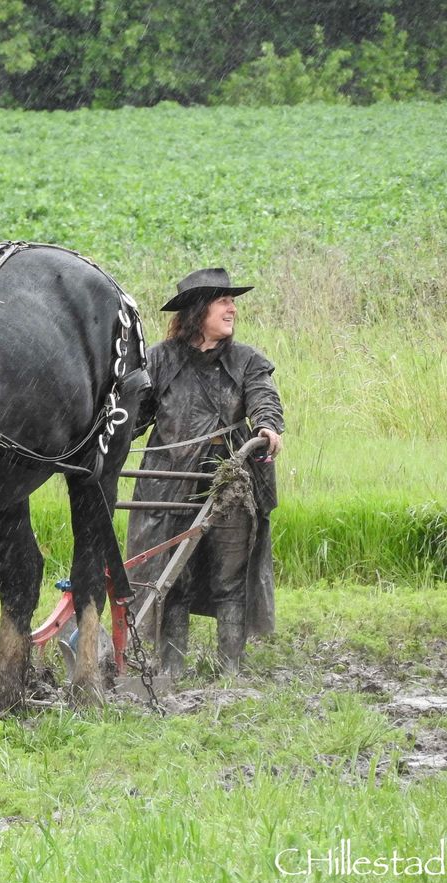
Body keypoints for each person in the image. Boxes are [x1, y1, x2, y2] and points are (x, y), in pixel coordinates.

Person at [127, 268, 284, 675]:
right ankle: (171, 669)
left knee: (229, 576)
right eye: (223, 301)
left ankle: (230, 669)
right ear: (199, 311)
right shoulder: (159, 359)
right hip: (167, 481)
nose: (232, 308)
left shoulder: (247, 360)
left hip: (228, 479)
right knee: (171, 576)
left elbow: (264, 398)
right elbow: (134, 418)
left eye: (233, 301)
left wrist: (267, 425)